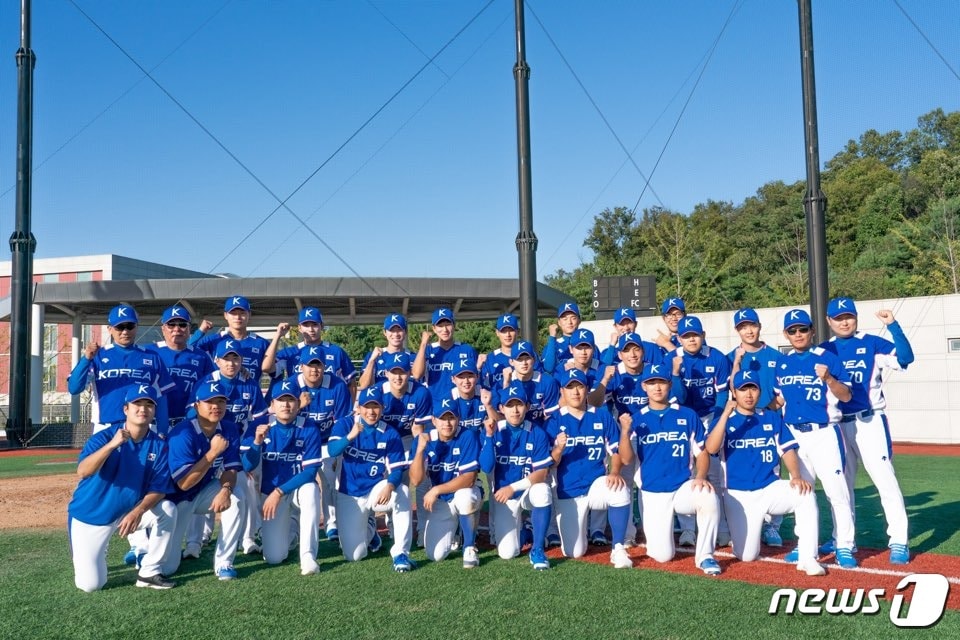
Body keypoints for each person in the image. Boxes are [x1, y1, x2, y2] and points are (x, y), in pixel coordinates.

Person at [821, 297, 914, 565]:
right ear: (829, 321)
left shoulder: (871, 342)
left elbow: (906, 358)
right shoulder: (824, 350)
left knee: (885, 481)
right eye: (838, 318)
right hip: (837, 424)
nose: (844, 321)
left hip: (869, 420)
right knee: (841, 487)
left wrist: (893, 326)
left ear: (855, 317)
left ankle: (898, 540)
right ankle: (842, 538)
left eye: (848, 316)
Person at [704, 371, 826, 576]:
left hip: (770, 487)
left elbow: (787, 450)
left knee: (805, 494)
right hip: (738, 494)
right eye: (743, 389)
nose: (749, 394)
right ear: (734, 392)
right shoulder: (725, 419)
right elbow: (711, 448)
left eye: (753, 388)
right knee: (747, 555)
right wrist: (725, 414)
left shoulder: (770, 417)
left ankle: (808, 558)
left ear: (760, 391)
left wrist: (796, 476)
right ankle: (755, 528)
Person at [67, 385, 177, 592]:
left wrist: (138, 512)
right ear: (126, 409)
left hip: (127, 512)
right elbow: (83, 472)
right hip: (91, 515)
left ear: (154, 411)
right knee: (90, 585)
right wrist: (111, 445)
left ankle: (149, 572)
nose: (143, 409)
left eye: (149, 405)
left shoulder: (158, 445)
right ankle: (96, 551)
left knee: (168, 509)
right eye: (137, 404)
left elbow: (160, 488)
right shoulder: (104, 437)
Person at [618, 363, 722, 576]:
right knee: (662, 555)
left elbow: (702, 453)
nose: (657, 387)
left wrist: (701, 476)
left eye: (662, 382)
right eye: (651, 383)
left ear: (670, 385)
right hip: (653, 491)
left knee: (708, 496)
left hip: (683, 486)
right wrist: (625, 432)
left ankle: (705, 556)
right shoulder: (637, 419)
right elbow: (627, 459)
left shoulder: (687, 415)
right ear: (644, 387)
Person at [774, 309, 858, 569]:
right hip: (795, 436)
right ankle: (805, 545)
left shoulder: (827, 358)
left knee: (837, 492)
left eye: (802, 329)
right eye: (792, 331)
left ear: (811, 331)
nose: (798, 334)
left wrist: (829, 378)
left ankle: (844, 545)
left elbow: (846, 396)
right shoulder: (782, 363)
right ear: (786, 335)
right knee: (802, 493)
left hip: (824, 433)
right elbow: (779, 400)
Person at [545, 369, 633, 569]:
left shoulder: (601, 415)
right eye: (570, 387)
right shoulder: (554, 421)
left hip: (596, 486)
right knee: (574, 552)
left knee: (619, 488)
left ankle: (618, 547)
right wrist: (558, 449)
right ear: (562, 391)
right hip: (567, 491)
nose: (575, 392)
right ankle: (582, 532)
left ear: (586, 389)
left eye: (579, 386)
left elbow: (615, 451)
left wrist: (614, 471)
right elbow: (551, 464)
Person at [191, 338, 270, 556]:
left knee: (245, 488)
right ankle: (195, 541)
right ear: (216, 360)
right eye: (226, 359)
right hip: (211, 444)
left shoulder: (249, 383)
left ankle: (247, 537)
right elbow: (193, 415)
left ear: (241, 361)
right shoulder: (206, 381)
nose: (231, 363)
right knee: (201, 486)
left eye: (235, 358)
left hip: (241, 443)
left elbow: (260, 417)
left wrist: (251, 443)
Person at [160, 380, 245, 581]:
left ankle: (224, 562)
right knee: (168, 568)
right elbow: (184, 483)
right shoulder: (183, 433)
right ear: (197, 405)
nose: (216, 407)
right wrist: (213, 453)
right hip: (176, 500)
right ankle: (148, 549)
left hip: (204, 491)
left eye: (220, 402)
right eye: (209, 402)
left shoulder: (229, 428)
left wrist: (225, 489)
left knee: (238, 496)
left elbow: (231, 469)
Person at [326, 387, 415, 572]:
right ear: (358, 407)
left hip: (376, 489)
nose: (371, 412)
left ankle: (401, 553)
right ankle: (370, 526)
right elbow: (333, 451)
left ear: (382, 408)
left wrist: (390, 485)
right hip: (349, 493)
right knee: (354, 555)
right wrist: (351, 436)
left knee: (402, 492)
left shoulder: (389, 433)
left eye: (376, 407)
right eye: (367, 406)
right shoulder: (345, 424)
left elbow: (397, 469)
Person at [240, 379, 323, 575]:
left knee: (311, 490)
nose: (286, 405)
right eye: (280, 400)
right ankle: (292, 530)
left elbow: (310, 472)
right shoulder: (259, 426)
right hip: (271, 492)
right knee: (274, 558)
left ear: (298, 403)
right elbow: (246, 465)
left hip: (293, 489)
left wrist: (279, 492)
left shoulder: (309, 427)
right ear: (272, 404)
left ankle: (308, 556)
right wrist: (257, 443)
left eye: (291, 400)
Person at [726, 307, 787, 547]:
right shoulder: (731, 357)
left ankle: (773, 526)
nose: (748, 330)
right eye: (742, 327)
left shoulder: (775, 356)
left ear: (759, 326)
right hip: (741, 423)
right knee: (739, 472)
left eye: (751, 325)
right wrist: (737, 363)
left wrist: (767, 412)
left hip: (769, 419)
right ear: (737, 330)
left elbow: (784, 392)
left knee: (773, 472)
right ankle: (739, 524)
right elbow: (730, 391)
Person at [479, 381, 554, 570]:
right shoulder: (494, 430)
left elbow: (542, 473)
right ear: (501, 408)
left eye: (519, 404)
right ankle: (526, 532)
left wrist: (513, 487)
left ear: (527, 406)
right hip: (505, 497)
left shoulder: (537, 432)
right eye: (510, 405)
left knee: (543, 490)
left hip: (526, 490)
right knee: (507, 553)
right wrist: (488, 436)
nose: (515, 410)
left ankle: (537, 550)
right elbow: (486, 468)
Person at [67, 303, 174, 436]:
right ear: (110, 329)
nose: (125, 331)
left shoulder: (152, 357)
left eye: (130, 326)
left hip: (142, 428)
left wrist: (162, 432)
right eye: (119, 327)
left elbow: (161, 398)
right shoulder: (98, 356)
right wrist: (86, 358)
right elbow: (74, 388)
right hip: (105, 428)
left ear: (136, 327)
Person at [672, 315, 731, 547]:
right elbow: (677, 396)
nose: (691, 339)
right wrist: (676, 374)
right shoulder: (672, 359)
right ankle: (688, 529)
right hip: (683, 417)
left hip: (709, 416)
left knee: (714, 472)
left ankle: (720, 527)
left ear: (703, 335)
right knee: (686, 470)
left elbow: (723, 394)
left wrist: (716, 422)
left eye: (695, 335)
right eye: (686, 336)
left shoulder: (715, 357)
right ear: (679, 338)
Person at [408, 397, 483, 568]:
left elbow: (469, 478)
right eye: (442, 418)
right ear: (433, 420)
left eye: (451, 418)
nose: (447, 423)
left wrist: (436, 490)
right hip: (443, 499)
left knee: (465, 497)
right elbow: (416, 479)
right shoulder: (425, 440)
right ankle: (457, 529)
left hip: (465, 491)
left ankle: (469, 547)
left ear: (458, 419)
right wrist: (419, 451)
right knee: (435, 555)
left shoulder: (467, 435)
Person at [295, 344, 352, 542]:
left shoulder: (337, 385)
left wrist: (336, 448)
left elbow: (342, 421)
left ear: (325, 366)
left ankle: (332, 524)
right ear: (301, 366)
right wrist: (298, 406)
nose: (314, 369)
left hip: (328, 441)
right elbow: (281, 420)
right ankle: (293, 524)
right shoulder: (291, 386)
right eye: (310, 365)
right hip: (300, 443)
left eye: (318, 365)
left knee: (329, 479)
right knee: (300, 483)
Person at [262, 307, 357, 395]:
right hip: (300, 408)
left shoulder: (336, 351)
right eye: (306, 325)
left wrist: (349, 410)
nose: (311, 329)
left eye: (315, 324)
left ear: (322, 326)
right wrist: (278, 335)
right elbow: (266, 368)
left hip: (330, 408)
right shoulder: (290, 353)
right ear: (299, 328)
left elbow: (351, 383)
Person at [150, 305, 216, 428]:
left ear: (189, 328)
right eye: (171, 324)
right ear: (163, 329)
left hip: (188, 423)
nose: (177, 329)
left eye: (182, 324)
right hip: (153, 424)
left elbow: (211, 386)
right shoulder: (148, 353)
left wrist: (241, 369)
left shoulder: (201, 356)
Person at [190, 295, 270, 382]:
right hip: (218, 392)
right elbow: (186, 350)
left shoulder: (262, 343)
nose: (238, 317)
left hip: (249, 392)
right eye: (233, 313)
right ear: (225, 315)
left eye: (242, 313)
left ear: (249, 314)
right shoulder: (213, 340)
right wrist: (200, 331)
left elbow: (275, 372)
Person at [413, 307, 479, 393]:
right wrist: (423, 344)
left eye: (448, 324)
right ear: (434, 329)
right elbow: (416, 375)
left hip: (458, 403)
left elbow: (476, 378)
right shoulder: (428, 350)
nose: (445, 330)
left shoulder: (467, 349)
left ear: (454, 325)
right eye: (440, 326)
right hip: (434, 403)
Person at [358, 313, 417, 390]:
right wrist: (371, 361)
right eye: (391, 330)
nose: (396, 334)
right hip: (381, 401)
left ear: (405, 331)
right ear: (385, 332)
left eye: (399, 329)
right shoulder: (374, 356)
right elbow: (363, 385)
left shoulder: (414, 357)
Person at [541, 302, 592, 376]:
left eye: (573, 318)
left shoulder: (589, 344)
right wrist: (552, 337)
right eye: (565, 319)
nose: (569, 322)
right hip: (561, 385)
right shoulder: (553, 345)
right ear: (559, 322)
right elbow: (548, 368)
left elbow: (600, 368)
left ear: (579, 320)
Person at [479, 313, 522, 391]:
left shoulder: (528, 356)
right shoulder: (489, 359)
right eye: (504, 331)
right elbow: (481, 386)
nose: (508, 335)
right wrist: (477, 368)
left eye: (511, 330)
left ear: (518, 332)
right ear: (497, 333)